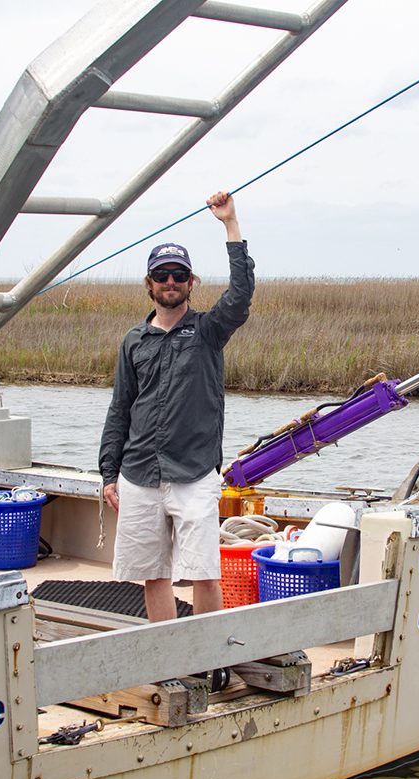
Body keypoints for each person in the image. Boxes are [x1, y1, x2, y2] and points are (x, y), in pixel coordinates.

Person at [99, 190, 254, 633]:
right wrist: (109, 473)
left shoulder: (209, 330)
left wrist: (230, 224)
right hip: (139, 474)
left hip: (194, 473)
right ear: (149, 284)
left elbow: (241, 294)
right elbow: (119, 411)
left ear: (190, 282)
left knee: (204, 570)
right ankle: (170, 658)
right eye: (162, 275)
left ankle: (209, 655)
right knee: (155, 572)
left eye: (179, 275)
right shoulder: (133, 341)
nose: (170, 281)